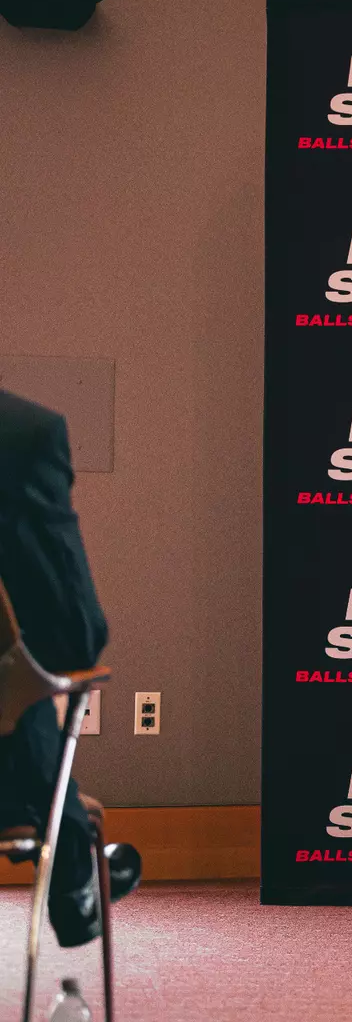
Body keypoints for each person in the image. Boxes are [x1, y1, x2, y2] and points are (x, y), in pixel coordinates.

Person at [0, 389, 139, 946]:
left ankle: (74, 859)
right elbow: (75, 636)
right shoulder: (22, 433)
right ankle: (75, 868)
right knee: (23, 673)